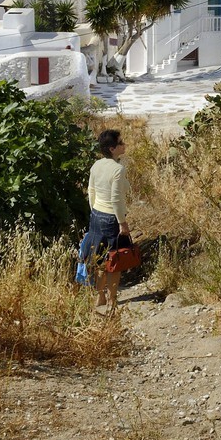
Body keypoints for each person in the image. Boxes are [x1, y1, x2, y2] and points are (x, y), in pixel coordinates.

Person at [83, 128, 130, 312]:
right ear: (112, 149)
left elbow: (91, 191)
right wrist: (122, 222)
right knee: (114, 263)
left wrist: (95, 211)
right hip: (112, 217)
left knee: (100, 260)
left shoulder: (96, 165)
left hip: (96, 214)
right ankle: (112, 301)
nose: (124, 144)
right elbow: (116, 198)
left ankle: (100, 297)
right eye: (121, 142)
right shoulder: (118, 169)